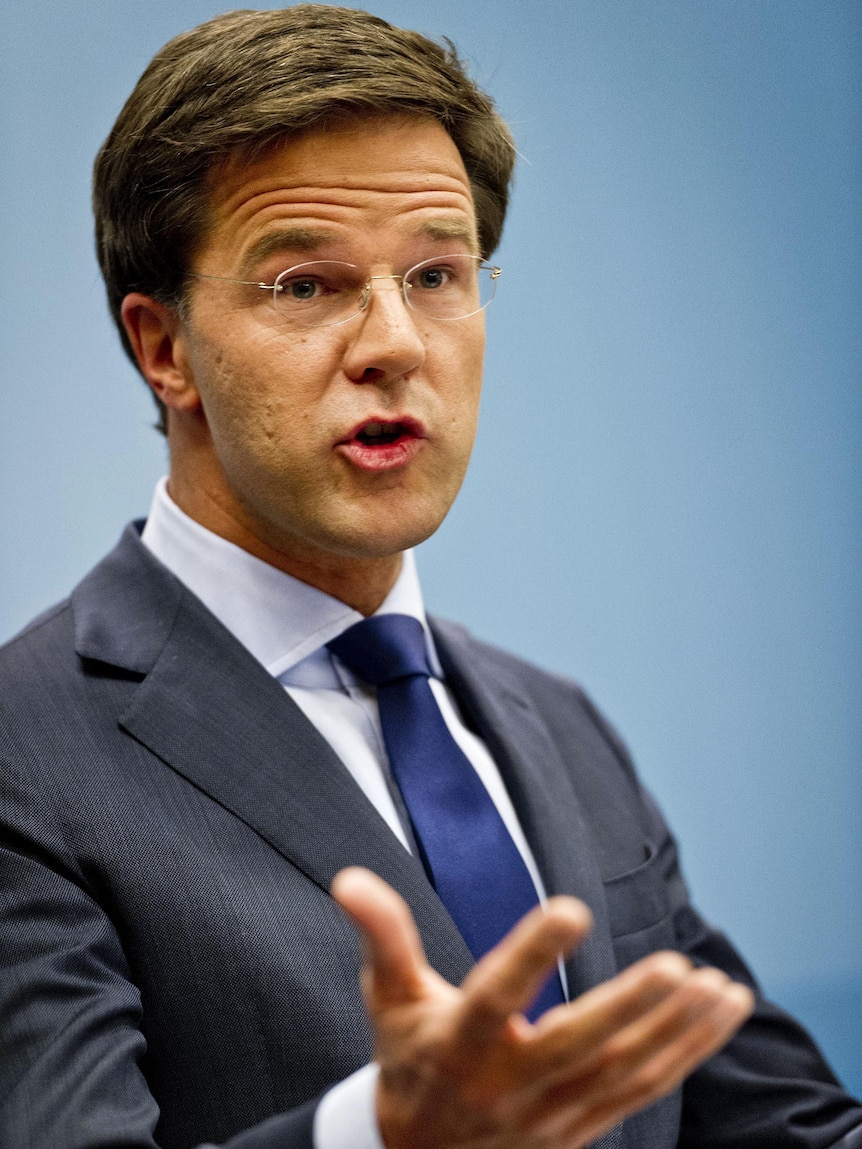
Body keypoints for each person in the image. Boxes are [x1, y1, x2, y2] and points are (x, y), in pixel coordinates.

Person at [0, 6, 859, 1149]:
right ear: (166, 349)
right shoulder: (24, 755)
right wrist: (380, 1135)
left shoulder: (558, 726)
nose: (396, 343)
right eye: (306, 284)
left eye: (437, 274)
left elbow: (778, 1127)